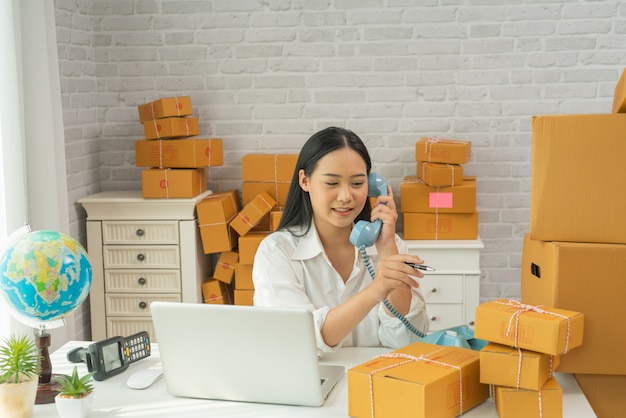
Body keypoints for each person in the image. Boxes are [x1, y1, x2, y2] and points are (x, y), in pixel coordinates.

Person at [252, 127, 429, 356]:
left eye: (357, 184)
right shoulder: (276, 252)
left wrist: (388, 251)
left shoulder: (390, 246)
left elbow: (407, 342)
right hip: (311, 385)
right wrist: (376, 290)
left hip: (375, 381)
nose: (346, 196)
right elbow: (298, 340)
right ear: (305, 181)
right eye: (332, 183)